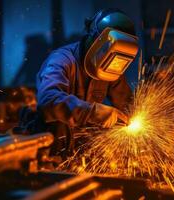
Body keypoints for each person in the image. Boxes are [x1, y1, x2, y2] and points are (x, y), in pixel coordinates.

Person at [36, 8, 138, 156]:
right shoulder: (61, 60)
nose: (113, 64)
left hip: (80, 151)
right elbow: (48, 100)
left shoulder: (110, 68)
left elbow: (127, 105)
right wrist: (93, 112)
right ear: (95, 41)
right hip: (49, 148)